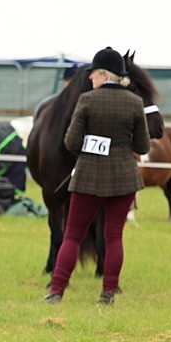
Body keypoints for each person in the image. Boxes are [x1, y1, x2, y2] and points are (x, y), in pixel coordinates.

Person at [43, 47, 150, 305]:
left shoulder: (87, 100)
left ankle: (56, 291)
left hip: (88, 176)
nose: (90, 78)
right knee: (114, 236)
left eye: (93, 74)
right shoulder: (135, 103)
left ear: (104, 74)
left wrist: (91, 147)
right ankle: (108, 294)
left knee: (72, 235)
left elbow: (71, 141)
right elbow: (143, 146)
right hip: (124, 179)